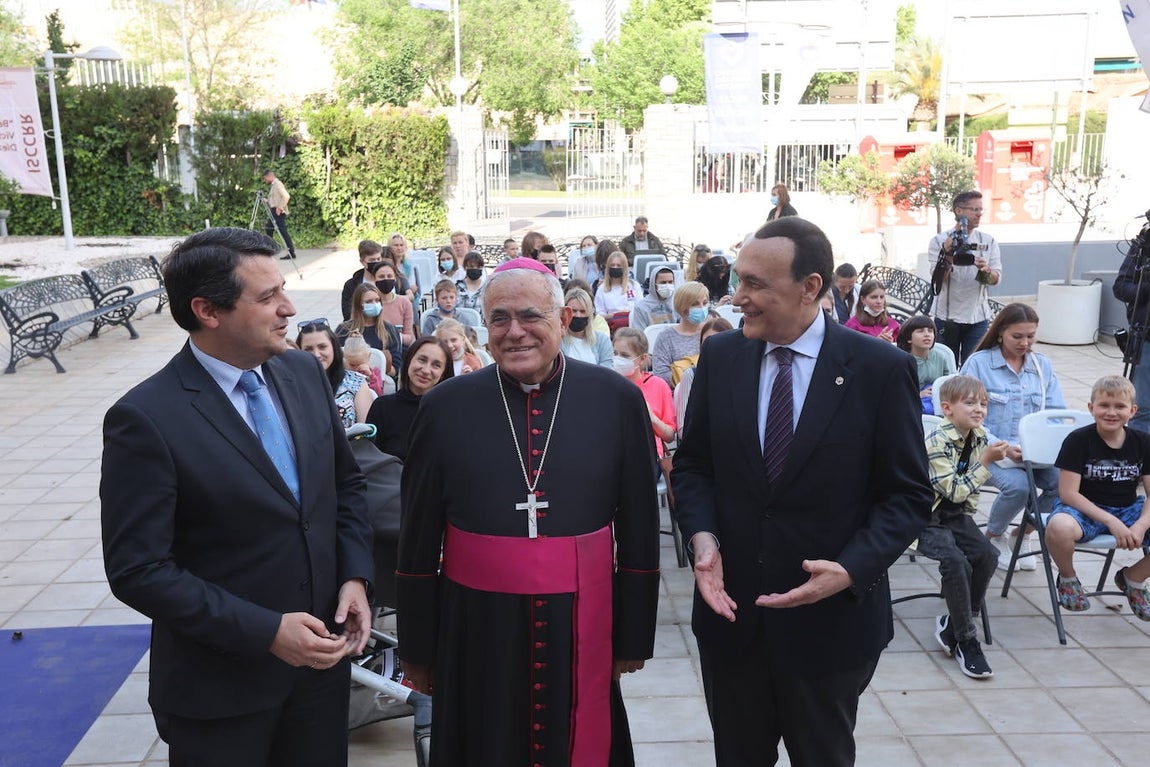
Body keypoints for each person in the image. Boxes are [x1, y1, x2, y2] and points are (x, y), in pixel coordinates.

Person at [100, 227, 373, 766]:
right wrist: (266, 631)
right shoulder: (146, 418)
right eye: (267, 297)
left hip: (320, 678)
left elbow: (344, 487)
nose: (288, 308)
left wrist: (355, 577)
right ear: (208, 310)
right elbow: (138, 569)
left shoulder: (300, 371)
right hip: (221, 695)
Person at [671, 216, 932, 767]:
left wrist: (853, 567)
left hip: (830, 628)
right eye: (738, 280)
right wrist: (701, 537)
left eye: (756, 284)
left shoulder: (880, 369)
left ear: (811, 287)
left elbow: (908, 495)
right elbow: (693, 466)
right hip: (732, 617)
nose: (737, 297)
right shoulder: (721, 358)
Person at [396, 257, 660, 764]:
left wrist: (632, 634)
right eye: (499, 319)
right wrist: (418, 647)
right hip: (475, 621)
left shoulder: (617, 400)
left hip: (581, 618)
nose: (514, 331)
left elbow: (640, 526)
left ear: (563, 320)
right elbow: (418, 536)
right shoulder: (446, 407)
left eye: (530, 316)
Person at [960, 303, 1065, 572]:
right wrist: (1003, 448)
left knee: (1064, 483)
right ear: (1000, 333)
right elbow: (966, 415)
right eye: (1017, 336)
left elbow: (1055, 412)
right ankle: (993, 537)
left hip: (1033, 450)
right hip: (987, 447)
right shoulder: (980, 363)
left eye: (1031, 336)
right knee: (1019, 486)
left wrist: (1043, 444)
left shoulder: (1042, 366)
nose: (1025, 343)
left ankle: (1022, 535)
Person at [922, 375, 1008, 679]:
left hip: (956, 515)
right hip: (925, 517)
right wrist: (985, 463)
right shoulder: (936, 440)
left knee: (987, 556)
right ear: (947, 408)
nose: (979, 409)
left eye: (983, 403)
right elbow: (954, 490)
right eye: (970, 403)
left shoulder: (980, 435)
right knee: (955, 561)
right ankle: (967, 641)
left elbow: (963, 498)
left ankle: (956, 625)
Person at [1046, 375, 1150, 620]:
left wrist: (1140, 524)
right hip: (1083, 509)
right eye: (1104, 405)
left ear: (1133, 411)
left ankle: (1133, 579)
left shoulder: (1143, 442)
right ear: (1091, 408)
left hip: (1127, 508)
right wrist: (1112, 523)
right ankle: (1068, 577)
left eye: (1120, 406)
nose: (1111, 412)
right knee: (1059, 526)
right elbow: (1068, 493)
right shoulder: (1078, 440)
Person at [929, 190, 1002, 365]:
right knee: (948, 368)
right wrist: (947, 254)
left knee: (975, 367)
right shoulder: (939, 241)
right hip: (947, 318)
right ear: (958, 211)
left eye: (980, 210)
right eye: (974, 209)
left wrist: (985, 271)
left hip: (978, 317)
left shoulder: (988, 241)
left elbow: (996, 279)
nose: (978, 214)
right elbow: (938, 281)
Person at [366, 336, 454, 461]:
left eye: (436, 365)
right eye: (422, 360)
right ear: (409, 360)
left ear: (443, 373)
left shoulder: (450, 414)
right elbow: (369, 459)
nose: (426, 370)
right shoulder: (382, 407)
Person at [613, 327, 676, 460]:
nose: (618, 359)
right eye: (615, 353)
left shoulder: (658, 385)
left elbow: (669, 436)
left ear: (642, 359)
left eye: (624, 355)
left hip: (648, 456)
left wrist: (651, 418)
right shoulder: (609, 383)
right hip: (615, 454)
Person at [296, 321, 374, 428]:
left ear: (334, 348)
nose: (316, 354)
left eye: (322, 347)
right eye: (308, 349)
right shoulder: (292, 385)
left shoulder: (356, 382)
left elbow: (366, 430)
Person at [1112, 227, 1150, 433]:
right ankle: (1142, 461)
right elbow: (1120, 287)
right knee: (1142, 408)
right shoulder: (1143, 245)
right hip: (1146, 340)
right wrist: (1145, 288)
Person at [673, 317, 734, 438]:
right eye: (707, 342)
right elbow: (683, 430)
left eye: (720, 341)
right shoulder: (691, 375)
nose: (713, 346)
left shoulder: (744, 372)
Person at [337, 283, 403, 380]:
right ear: (359, 305)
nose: (374, 304)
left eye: (377, 300)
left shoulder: (390, 330)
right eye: (368, 301)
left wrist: (371, 366)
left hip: (379, 383)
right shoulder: (344, 330)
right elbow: (336, 363)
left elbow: (394, 370)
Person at [652, 281, 710, 384]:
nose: (701, 308)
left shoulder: (712, 331)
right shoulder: (665, 337)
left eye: (704, 303)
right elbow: (660, 375)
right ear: (683, 307)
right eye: (695, 304)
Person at [897, 314, 957, 413]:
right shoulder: (902, 360)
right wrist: (919, 395)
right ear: (909, 338)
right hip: (910, 404)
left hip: (939, 399)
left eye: (930, 331)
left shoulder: (941, 356)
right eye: (920, 331)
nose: (927, 334)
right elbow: (898, 391)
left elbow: (950, 382)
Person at [560, 287, 613, 367]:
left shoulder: (602, 340)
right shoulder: (558, 340)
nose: (578, 315)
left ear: (589, 313)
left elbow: (607, 370)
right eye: (573, 311)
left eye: (583, 311)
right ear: (565, 312)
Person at [370, 261, 415, 345]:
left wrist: (391, 337)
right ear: (374, 279)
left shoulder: (404, 302)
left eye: (389, 276)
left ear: (395, 278)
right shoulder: (370, 304)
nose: (386, 279)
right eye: (381, 276)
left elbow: (409, 337)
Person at [341, 240, 386, 322]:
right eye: (372, 260)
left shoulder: (389, 281)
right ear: (362, 262)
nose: (376, 262)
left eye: (378, 259)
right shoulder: (351, 285)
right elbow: (347, 314)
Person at [594, 250, 640, 330]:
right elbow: (599, 314)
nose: (615, 268)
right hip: (611, 326)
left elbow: (640, 308)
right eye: (612, 265)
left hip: (632, 326)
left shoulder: (634, 286)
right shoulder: (601, 289)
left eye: (619, 265)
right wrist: (615, 316)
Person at [844, 279, 899, 343]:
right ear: (863, 299)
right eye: (874, 297)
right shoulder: (852, 325)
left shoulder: (892, 324)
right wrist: (875, 343)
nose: (879, 301)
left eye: (882, 297)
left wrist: (892, 345)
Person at [261, 170, 297, 261]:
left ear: (269, 176)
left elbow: (286, 196)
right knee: (269, 229)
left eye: (265, 179)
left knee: (282, 232)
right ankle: (270, 249)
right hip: (274, 211)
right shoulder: (274, 185)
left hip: (278, 212)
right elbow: (275, 199)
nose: (265, 181)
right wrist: (266, 200)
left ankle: (291, 252)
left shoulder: (278, 184)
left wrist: (280, 208)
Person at [630, 265, 678, 331]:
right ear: (653, 284)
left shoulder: (678, 303)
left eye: (670, 282)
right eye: (663, 282)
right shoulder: (641, 307)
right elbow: (639, 335)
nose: (667, 285)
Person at [342, 330, 387, 397]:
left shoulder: (374, 373)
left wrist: (371, 376)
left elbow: (378, 394)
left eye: (360, 364)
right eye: (352, 365)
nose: (356, 368)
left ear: (368, 357)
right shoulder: (341, 372)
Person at [388, 233, 420, 302]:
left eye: (401, 245)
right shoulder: (386, 264)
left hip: (407, 298)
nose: (399, 248)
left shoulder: (409, 265)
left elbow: (412, 287)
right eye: (396, 245)